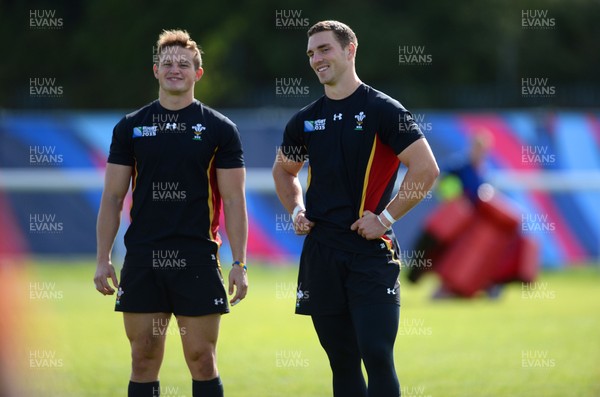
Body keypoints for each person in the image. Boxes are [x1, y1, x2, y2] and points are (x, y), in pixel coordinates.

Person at [272, 20, 439, 397]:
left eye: (324, 49)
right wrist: (296, 210)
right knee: (341, 361)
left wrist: (384, 219)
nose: (316, 59)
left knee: (376, 354)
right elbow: (284, 171)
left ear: (350, 50)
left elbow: (426, 169)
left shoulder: (382, 109)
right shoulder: (304, 120)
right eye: (311, 53)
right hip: (321, 254)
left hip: (370, 256)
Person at [93, 29, 248, 397]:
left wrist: (240, 263)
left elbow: (234, 200)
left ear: (198, 73)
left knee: (202, 358)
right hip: (144, 257)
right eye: (167, 63)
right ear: (155, 71)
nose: (174, 69)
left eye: (183, 63)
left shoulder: (220, 129)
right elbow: (113, 197)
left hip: (197, 257)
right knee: (143, 359)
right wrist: (102, 258)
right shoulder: (131, 127)